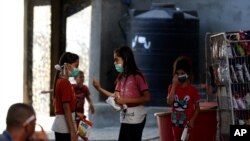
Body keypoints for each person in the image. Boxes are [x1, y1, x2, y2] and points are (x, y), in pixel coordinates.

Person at [93, 45, 151, 141]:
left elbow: (147, 97)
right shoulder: (121, 78)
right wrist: (99, 88)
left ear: (126, 59)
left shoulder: (138, 76)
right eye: (114, 60)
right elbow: (115, 96)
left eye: (117, 60)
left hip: (137, 117)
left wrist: (125, 100)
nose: (114, 63)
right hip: (125, 117)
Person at [167, 56, 200, 141]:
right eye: (177, 73)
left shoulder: (193, 90)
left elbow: (197, 108)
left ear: (187, 74)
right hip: (175, 125)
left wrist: (192, 121)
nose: (179, 76)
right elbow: (169, 102)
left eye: (182, 73)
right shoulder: (171, 87)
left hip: (187, 126)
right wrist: (174, 86)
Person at [51, 52, 79, 141]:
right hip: (64, 127)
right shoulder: (64, 82)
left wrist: (77, 115)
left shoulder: (61, 81)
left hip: (62, 125)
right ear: (67, 66)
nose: (77, 69)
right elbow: (66, 108)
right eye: (76, 66)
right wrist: (73, 131)